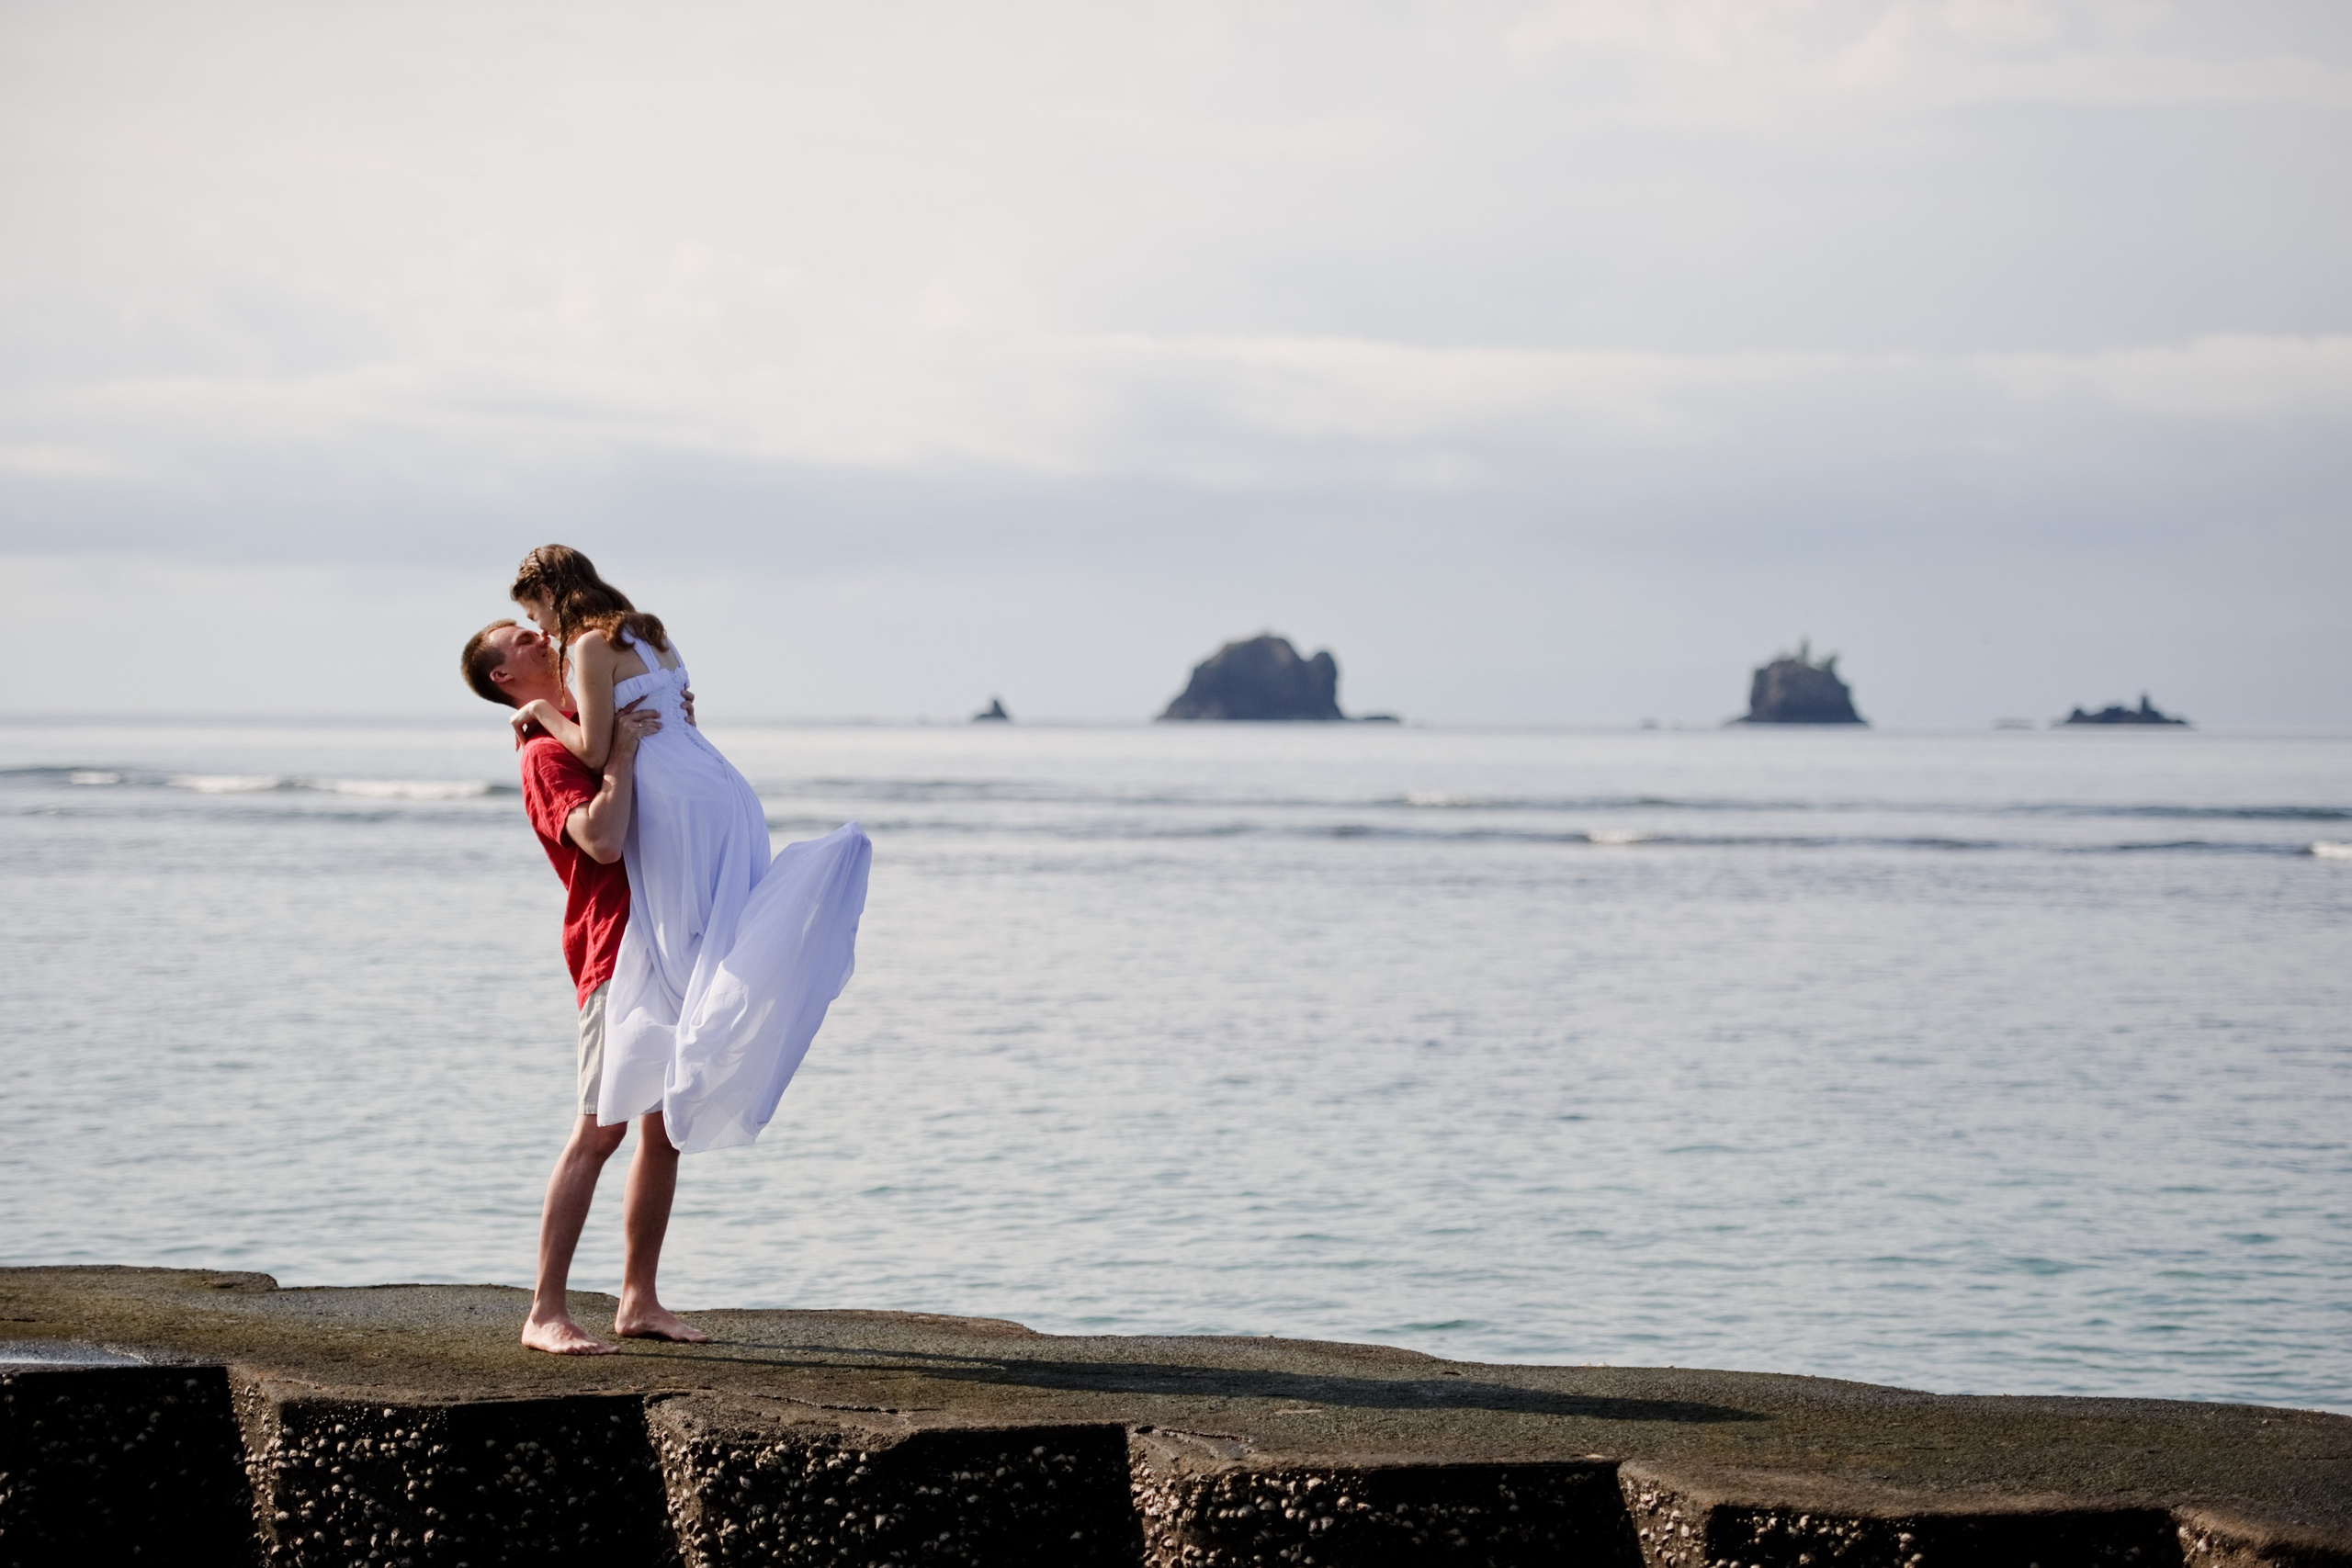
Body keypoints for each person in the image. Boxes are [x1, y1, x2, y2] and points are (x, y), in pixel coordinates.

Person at [498, 545, 871, 1156]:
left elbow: (593, 752)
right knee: (713, 941)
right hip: (723, 791)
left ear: (553, 596)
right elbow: (676, 718)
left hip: (676, 802)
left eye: (536, 614)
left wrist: (541, 710)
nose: (541, 629)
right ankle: (693, 1068)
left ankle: (695, 1059)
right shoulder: (650, 632)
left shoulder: (589, 647)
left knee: (684, 960)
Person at [458, 617, 709, 1354]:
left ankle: (639, 1301)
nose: (540, 634)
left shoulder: (593, 721)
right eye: (520, 638)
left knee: (664, 1130)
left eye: (536, 626)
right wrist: (626, 755)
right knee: (600, 1131)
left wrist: (673, 732)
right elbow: (601, 839)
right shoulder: (544, 754)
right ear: (503, 676)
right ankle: (544, 1310)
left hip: (669, 938)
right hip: (613, 948)